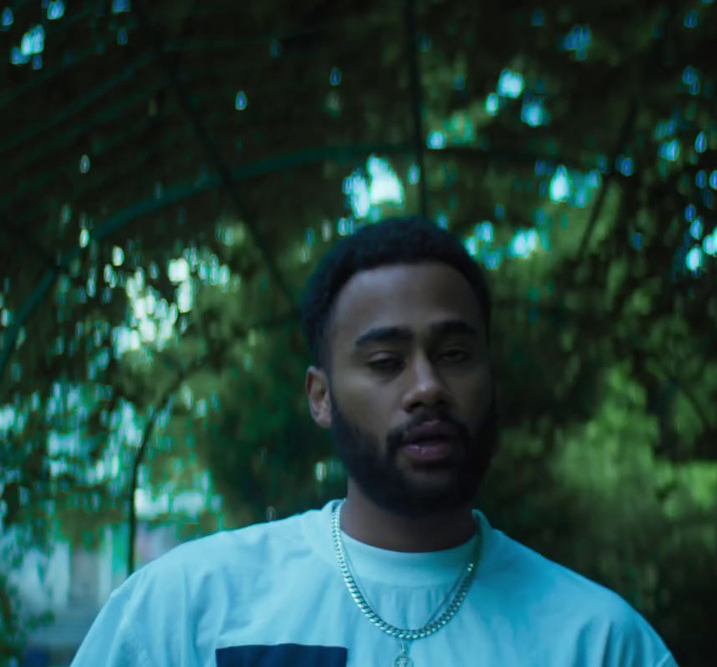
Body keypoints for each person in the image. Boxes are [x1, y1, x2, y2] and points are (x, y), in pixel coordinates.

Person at [71, 217, 677, 666]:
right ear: (320, 395)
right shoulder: (189, 610)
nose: (427, 388)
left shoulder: (598, 643)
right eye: (386, 361)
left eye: (456, 355)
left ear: (490, 378)